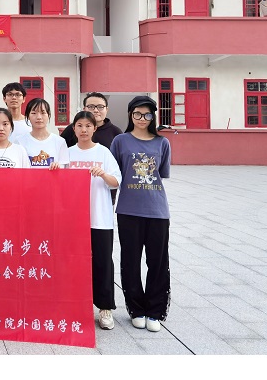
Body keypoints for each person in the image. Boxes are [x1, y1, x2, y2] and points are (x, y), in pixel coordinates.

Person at [110, 96, 172, 333]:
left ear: (153, 117)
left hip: (157, 211)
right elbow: (114, 174)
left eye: (147, 114)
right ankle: (136, 309)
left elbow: (161, 174)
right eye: (137, 114)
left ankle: (155, 311)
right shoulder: (120, 141)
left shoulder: (162, 142)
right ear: (130, 115)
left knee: (158, 262)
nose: (142, 119)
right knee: (130, 261)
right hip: (128, 210)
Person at [67, 111, 122, 331]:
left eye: (88, 126)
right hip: (73, 220)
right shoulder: (67, 153)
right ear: (74, 129)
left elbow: (116, 181)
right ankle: (74, 305)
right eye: (79, 126)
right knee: (73, 263)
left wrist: (102, 174)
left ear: (94, 128)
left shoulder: (103, 153)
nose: (84, 130)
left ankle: (105, 307)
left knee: (102, 262)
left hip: (100, 218)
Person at [18, 98, 69, 169]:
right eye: (34, 113)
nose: (39, 117)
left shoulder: (59, 142)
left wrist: (57, 167)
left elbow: (65, 169)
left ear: (48, 115)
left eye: (43, 113)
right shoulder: (20, 141)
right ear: (28, 116)